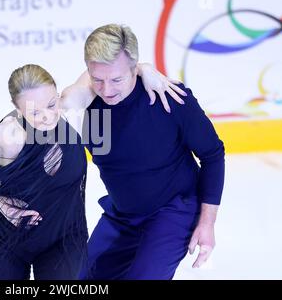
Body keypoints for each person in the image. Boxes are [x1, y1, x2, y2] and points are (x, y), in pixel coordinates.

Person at [0, 62, 183, 280]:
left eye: (51, 104)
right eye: (34, 112)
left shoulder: (69, 107)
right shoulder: (6, 137)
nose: (46, 117)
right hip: (8, 241)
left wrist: (144, 69)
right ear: (17, 109)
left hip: (65, 239)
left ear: (58, 94)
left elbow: (106, 70)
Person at [70, 24, 226, 280]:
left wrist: (207, 223)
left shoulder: (172, 98)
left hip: (173, 211)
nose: (107, 90)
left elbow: (212, 155)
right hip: (122, 215)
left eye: (117, 79)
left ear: (135, 69)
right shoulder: (84, 112)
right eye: (98, 79)